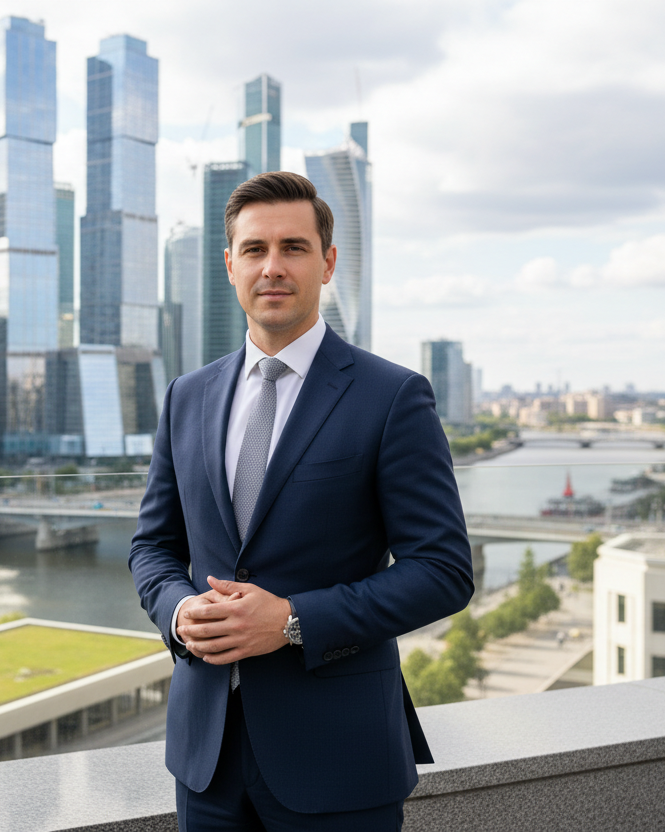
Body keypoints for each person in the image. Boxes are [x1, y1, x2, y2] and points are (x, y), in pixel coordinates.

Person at [130, 171, 474, 831]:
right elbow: (153, 546)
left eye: (294, 247)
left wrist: (292, 621)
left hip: (338, 757)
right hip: (204, 760)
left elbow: (443, 572)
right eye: (255, 250)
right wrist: (178, 612)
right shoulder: (186, 396)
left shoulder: (392, 396)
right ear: (230, 266)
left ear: (328, 263)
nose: (273, 267)